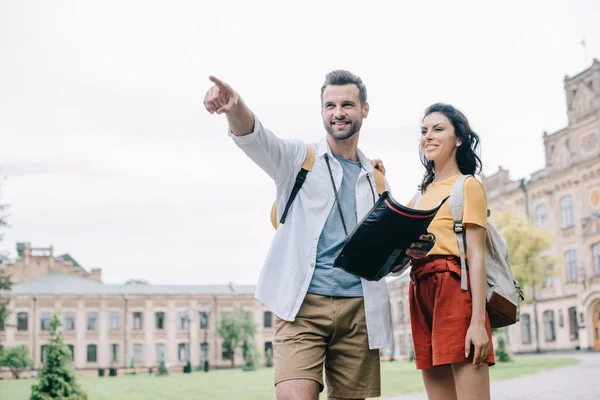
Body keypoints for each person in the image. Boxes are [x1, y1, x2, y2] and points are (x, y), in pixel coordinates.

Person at [203, 70, 433, 400]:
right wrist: (234, 107)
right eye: (330, 105)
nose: (338, 112)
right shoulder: (299, 159)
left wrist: (406, 256)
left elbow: (384, 261)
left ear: (364, 110)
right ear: (322, 110)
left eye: (347, 104)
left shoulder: (377, 182)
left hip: (359, 311)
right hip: (301, 309)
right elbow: (256, 138)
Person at [378, 103, 494, 400]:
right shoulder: (419, 195)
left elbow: (476, 256)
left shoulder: (467, 185)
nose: (428, 136)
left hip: (455, 290)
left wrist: (478, 324)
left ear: (458, 139)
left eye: (438, 129)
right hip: (420, 293)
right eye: (424, 131)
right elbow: (395, 252)